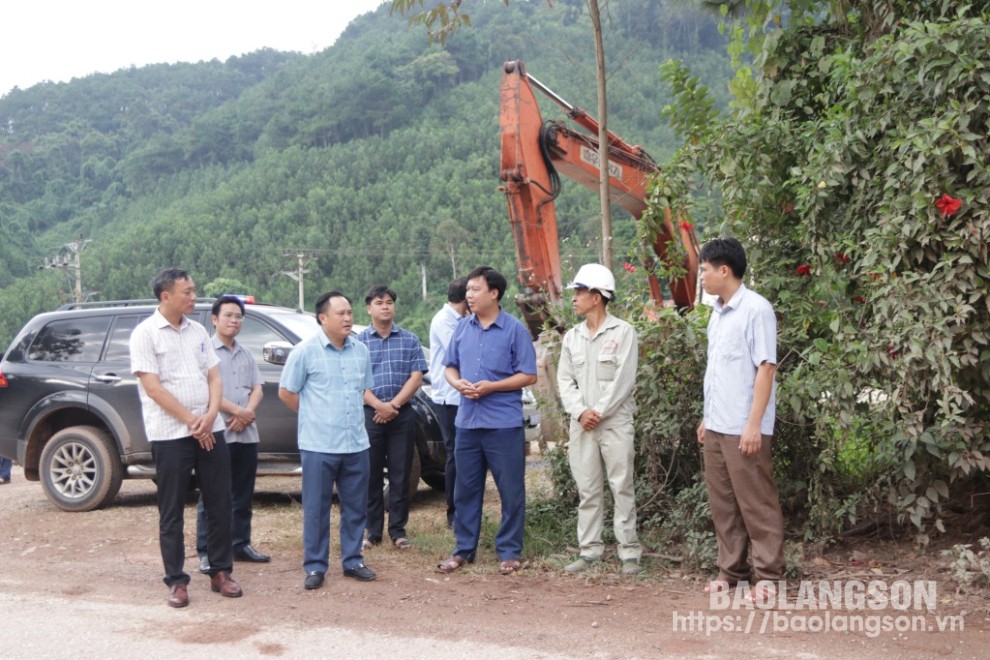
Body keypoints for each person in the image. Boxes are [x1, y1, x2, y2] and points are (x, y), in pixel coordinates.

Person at [129, 268, 242, 608]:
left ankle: (221, 571)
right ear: (166, 296)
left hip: (210, 430)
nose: (195, 297)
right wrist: (194, 421)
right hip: (171, 435)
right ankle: (176, 580)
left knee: (220, 503)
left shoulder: (198, 332)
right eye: (187, 292)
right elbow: (152, 387)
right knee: (172, 509)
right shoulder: (145, 334)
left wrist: (210, 417)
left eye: (194, 291)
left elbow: (214, 376)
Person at [695, 237, 785, 601]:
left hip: (744, 427)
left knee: (757, 502)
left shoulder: (756, 309)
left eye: (704, 270)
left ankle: (768, 577)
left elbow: (766, 368)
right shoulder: (717, 313)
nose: (701, 276)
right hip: (717, 426)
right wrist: (706, 418)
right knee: (724, 504)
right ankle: (730, 572)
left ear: (724, 270)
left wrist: (754, 424)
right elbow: (717, 372)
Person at [436, 266, 537, 576]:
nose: (469, 295)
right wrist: (456, 384)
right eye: (468, 290)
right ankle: (463, 550)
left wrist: (493, 386)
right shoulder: (462, 329)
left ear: (494, 293)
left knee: (510, 490)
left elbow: (529, 374)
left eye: (476, 289)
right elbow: (449, 367)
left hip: (502, 425)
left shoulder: (514, 330)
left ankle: (509, 551)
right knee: (465, 491)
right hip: (467, 422)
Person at [278, 291, 377, 590]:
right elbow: (286, 392)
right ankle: (316, 566)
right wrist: (314, 416)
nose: (348, 318)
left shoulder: (361, 351)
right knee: (317, 508)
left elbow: (363, 390)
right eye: (341, 313)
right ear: (323, 318)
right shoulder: (305, 352)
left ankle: (353, 560)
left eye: (349, 312)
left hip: (356, 443)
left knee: (356, 507)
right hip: (319, 444)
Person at [556, 264, 643, 576]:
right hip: (582, 426)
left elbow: (624, 380)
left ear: (597, 296)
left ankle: (629, 552)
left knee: (622, 487)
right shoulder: (572, 338)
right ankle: (589, 550)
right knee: (588, 489)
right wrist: (581, 412)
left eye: (579, 292)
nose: (575, 298)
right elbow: (565, 381)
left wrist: (599, 411)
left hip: (615, 423)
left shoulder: (623, 333)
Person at [195, 295, 269, 575]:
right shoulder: (205, 353)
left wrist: (247, 412)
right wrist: (238, 412)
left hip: (247, 435)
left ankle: (240, 544)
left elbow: (258, 387)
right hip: (218, 433)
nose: (234, 321)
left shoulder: (246, 353)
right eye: (228, 315)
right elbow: (205, 390)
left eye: (238, 316)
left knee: (242, 493)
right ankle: (206, 551)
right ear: (214, 319)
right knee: (212, 495)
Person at [357, 285, 428, 550]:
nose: (385, 306)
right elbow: (355, 380)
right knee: (371, 474)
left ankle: (398, 530)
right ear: (369, 308)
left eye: (389, 302)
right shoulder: (359, 342)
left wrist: (394, 405)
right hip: (370, 414)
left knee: (401, 474)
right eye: (379, 302)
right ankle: (372, 532)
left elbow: (416, 376)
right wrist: (378, 405)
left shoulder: (409, 339)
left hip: (402, 415)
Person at [428, 278, 469, 528]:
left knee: (464, 453)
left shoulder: (461, 320)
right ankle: (453, 512)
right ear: (466, 298)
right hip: (449, 397)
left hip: (462, 395)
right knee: (455, 452)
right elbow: (462, 351)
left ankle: (462, 508)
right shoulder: (444, 321)